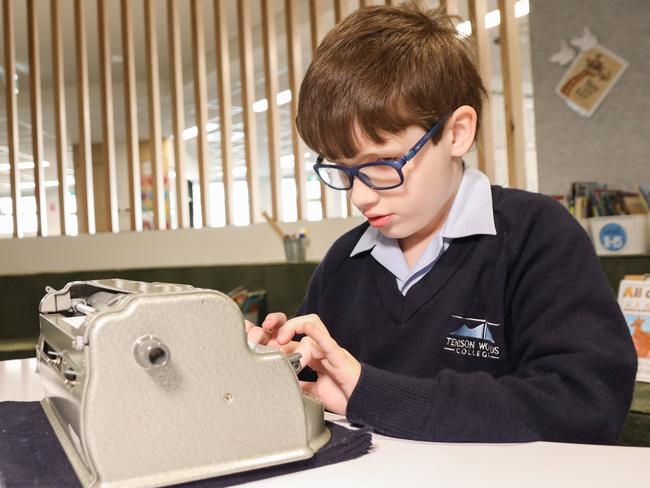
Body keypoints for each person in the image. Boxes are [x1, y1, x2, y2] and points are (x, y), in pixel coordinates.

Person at [246, 2, 637, 443]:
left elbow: (587, 405)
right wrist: (268, 364)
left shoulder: (535, 236)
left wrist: (369, 392)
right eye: (343, 170)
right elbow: (311, 397)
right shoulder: (344, 264)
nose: (359, 196)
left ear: (456, 133)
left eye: (382, 164)